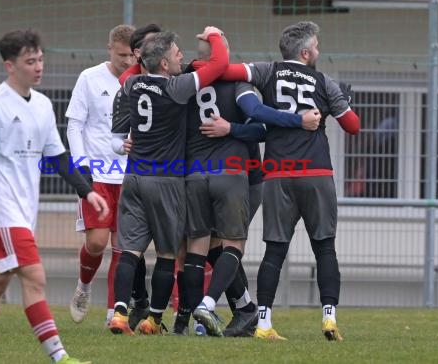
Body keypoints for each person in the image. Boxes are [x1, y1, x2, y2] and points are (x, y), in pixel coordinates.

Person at [0, 29, 108, 364]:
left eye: (40, 59)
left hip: (25, 212)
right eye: (30, 61)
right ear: (9, 66)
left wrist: (87, 192)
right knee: (35, 277)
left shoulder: (42, 105)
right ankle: (60, 357)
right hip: (3, 212)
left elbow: (57, 157)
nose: (38, 66)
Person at [179, 38, 321, 337]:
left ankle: (194, 322)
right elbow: (260, 123)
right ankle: (223, 309)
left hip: (194, 174)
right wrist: (235, 128)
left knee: (202, 248)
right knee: (229, 245)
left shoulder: (183, 83)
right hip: (235, 174)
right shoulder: (238, 85)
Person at [234, 21, 360, 341]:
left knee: (274, 251)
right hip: (316, 173)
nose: (319, 51)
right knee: (325, 248)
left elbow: (237, 75)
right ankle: (329, 319)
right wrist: (340, 106)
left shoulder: (267, 71)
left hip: (277, 174)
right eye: (316, 46)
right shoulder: (324, 81)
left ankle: (263, 323)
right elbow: (353, 126)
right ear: (305, 52)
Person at [108, 27, 229, 335]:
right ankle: (155, 319)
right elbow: (219, 63)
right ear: (163, 64)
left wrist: (145, 56)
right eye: (176, 54)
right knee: (166, 253)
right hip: (165, 180)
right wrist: (214, 35)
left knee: (130, 250)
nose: (182, 58)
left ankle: (120, 313)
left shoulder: (131, 83)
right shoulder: (178, 88)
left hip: (133, 177)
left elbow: (135, 71)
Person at [66, 24, 136, 326]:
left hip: (131, 176)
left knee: (122, 245)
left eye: (131, 55)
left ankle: (114, 311)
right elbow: (74, 125)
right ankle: (83, 286)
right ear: (110, 49)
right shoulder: (89, 78)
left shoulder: (141, 80)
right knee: (96, 243)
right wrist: (80, 164)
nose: (126, 61)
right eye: (121, 55)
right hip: (96, 174)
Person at [110, 22, 163, 332]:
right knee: (161, 251)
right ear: (139, 53)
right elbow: (115, 138)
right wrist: (122, 144)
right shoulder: (130, 87)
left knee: (138, 247)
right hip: (155, 177)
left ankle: (139, 307)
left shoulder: (175, 80)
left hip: (162, 176)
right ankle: (151, 312)